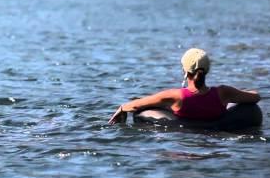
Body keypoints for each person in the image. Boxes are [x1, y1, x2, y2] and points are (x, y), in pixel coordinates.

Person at [108, 48, 260, 124]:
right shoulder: (224, 92)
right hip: (217, 129)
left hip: (184, 130)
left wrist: (121, 108)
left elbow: (135, 105)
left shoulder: (175, 96)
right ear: (207, 70)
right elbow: (255, 97)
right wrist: (239, 94)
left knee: (147, 105)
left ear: (185, 71)